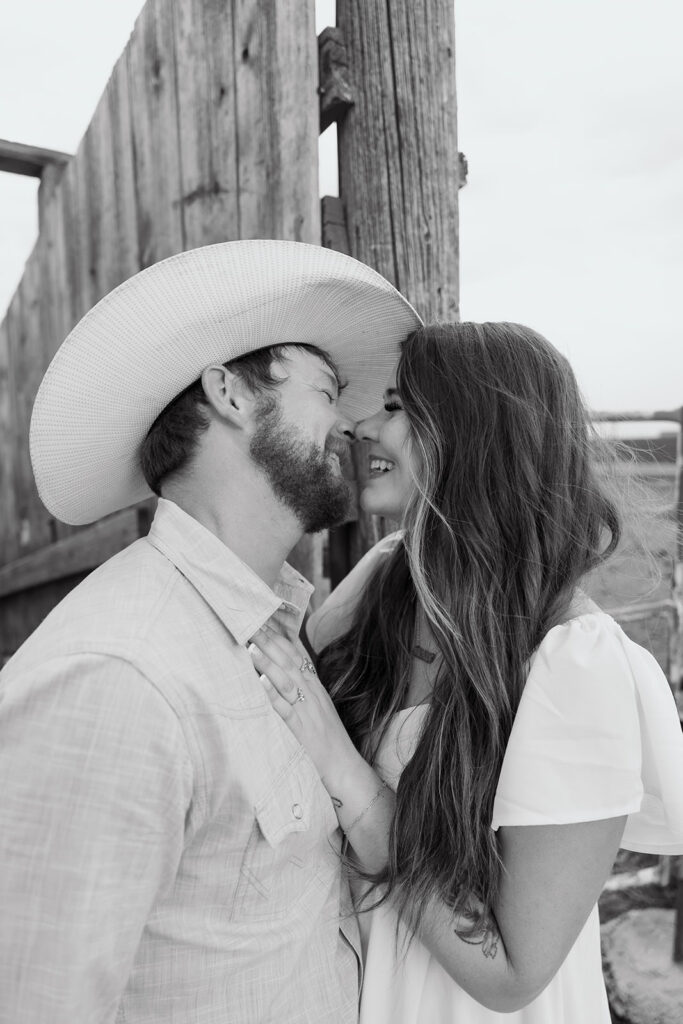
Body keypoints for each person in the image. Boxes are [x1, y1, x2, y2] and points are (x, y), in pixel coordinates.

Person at [0, 239, 422, 1023]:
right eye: (327, 392)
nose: (352, 423)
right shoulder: (118, 675)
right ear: (229, 393)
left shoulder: (278, 627)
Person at [249, 321, 683, 1024]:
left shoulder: (577, 666)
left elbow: (513, 973)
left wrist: (344, 768)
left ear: (467, 435)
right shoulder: (382, 584)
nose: (364, 426)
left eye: (395, 407)